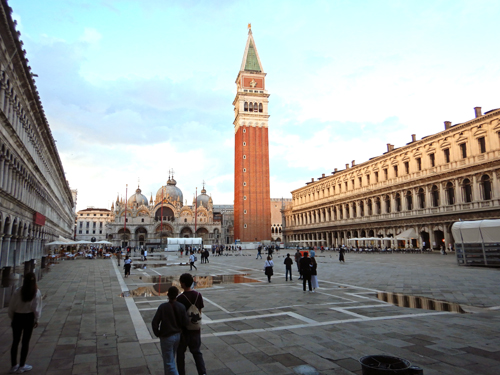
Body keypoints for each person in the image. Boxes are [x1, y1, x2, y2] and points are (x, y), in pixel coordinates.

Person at [8, 272, 42, 374]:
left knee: (15, 341)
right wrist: (37, 319)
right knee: (25, 342)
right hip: (28, 318)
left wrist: (13, 318)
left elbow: (11, 307)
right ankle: (22, 366)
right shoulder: (36, 292)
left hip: (17, 317)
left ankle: (14, 365)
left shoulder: (18, 291)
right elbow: (36, 308)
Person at [152, 286, 189, 375]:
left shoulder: (163, 307)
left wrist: (158, 333)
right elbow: (186, 322)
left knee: (168, 362)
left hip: (167, 336)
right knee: (171, 358)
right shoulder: (181, 306)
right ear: (177, 295)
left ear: (168, 294)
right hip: (177, 336)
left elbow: (155, 322)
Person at [177, 273, 206, 375]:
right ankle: (202, 373)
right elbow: (199, 311)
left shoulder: (180, 298)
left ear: (183, 283)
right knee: (197, 352)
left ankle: (181, 373)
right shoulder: (198, 295)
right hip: (195, 329)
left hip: (184, 330)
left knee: (180, 353)